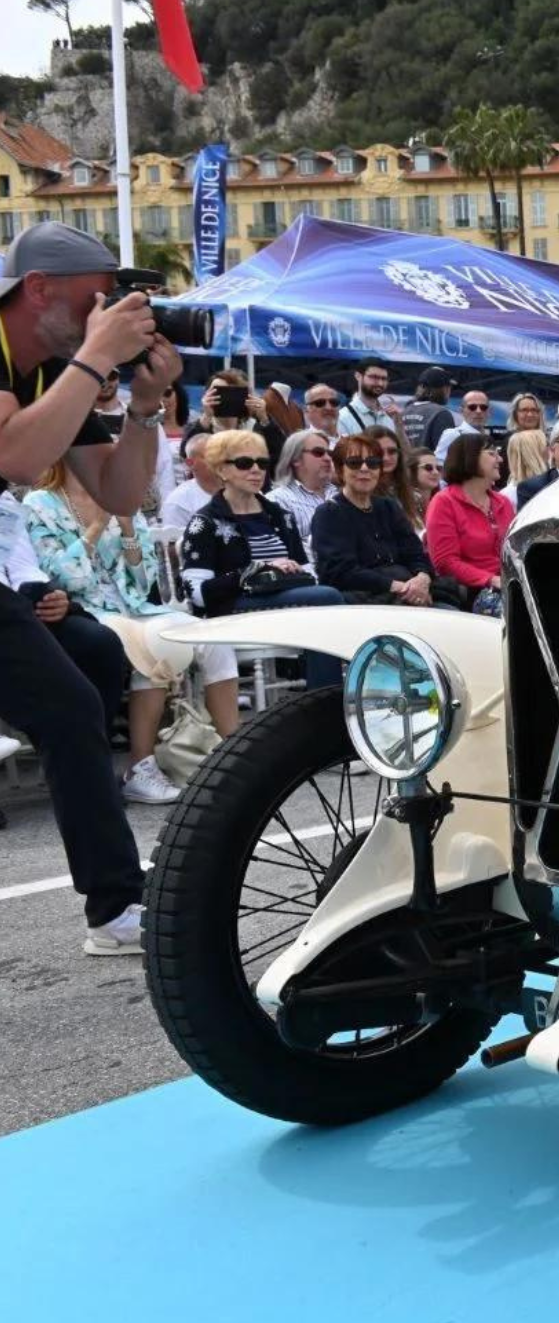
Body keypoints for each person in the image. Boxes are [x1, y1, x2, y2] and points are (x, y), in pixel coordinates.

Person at [0, 219, 183, 954]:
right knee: (71, 700)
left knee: (89, 673)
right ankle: (113, 906)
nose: (104, 316)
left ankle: (113, 905)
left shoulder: (48, 368)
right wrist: (98, 355)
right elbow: (17, 455)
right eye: (95, 301)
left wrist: (143, 405)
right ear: (37, 289)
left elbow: (119, 490)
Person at [23, 464, 242, 803]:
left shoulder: (123, 502)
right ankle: (140, 766)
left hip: (137, 607)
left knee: (210, 638)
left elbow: (143, 583)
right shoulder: (39, 504)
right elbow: (65, 579)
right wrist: (97, 526)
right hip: (84, 609)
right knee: (151, 645)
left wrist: (126, 528)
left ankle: (235, 752)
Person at [178, 431, 344, 683]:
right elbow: (198, 595)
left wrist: (289, 571)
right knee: (327, 599)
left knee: (327, 603)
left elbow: (310, 573)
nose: (256, 470)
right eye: (245, 463)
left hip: (282, 603)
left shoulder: (279, 515)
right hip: (232, 610)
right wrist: (258, 569)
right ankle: (327, 699)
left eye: (262, 463)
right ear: (221, 469)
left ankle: (325, 698)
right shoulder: (205, 522)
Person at [312, 434, 462, 609]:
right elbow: (340, 572)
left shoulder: (388, 507)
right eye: (354, 463)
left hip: (412, 593)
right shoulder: (329, 513)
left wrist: (422, 579)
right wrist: (399, 587)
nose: (365, 469)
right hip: (366, 603)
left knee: (451, 613)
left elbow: (415, 554)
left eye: (373, 463)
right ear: (340, 470)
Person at [426, 431, 513, 614]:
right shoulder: (444, 502)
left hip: (510, 583)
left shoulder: (502, 502)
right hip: (473, 591)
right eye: (491, 453)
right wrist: (490, 579)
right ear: (470, 458)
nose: (500, 460)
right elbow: (446, 562)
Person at [267, 428, 337, 562]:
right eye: (318, 453)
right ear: (295, 459)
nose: (328, 458)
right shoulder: (278, 500)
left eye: (329, 453)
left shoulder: (340, 493)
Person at [400, 366, 460, 461]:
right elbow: (448, 455)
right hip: (431, 471)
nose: (449, 392)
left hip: (406, 472)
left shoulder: (403, 412)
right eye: (448, 387)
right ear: (443, 389)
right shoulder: (441, 413)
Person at [335, 357, 402, 436]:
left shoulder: (390, 416)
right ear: (358, 376)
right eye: (374, 377)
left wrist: (399, 425)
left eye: (384, 379)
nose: (380, 383)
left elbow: (403, 448)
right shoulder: (343, 418)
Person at [504, 427, 550, 496]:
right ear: (534, 453)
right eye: (546, 445)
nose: (550, 448)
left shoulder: (555, 482)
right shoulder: (508, 497)